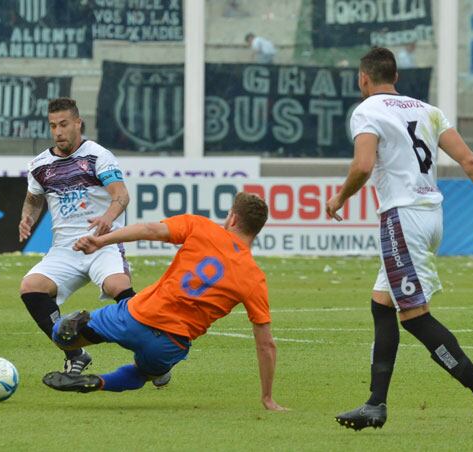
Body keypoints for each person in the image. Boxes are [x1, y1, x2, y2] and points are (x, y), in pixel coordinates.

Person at [326, 48, 473, 436]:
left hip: (402, 217)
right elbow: (471, 162)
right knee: (382, 303)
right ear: (396, 76)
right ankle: (375, 403)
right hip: (430, 216)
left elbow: (362, 165)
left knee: (414, 317)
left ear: (364, 78)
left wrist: (340, 197)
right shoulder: (428, 110)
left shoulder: (368, 110)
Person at [40, 193, 287, 411]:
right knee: (142, 374)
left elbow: (150, 230)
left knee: (62, 332)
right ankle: (101, 382)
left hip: (135, 317)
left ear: (232, 218)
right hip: (170, 343)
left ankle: (76, 343)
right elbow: (266, 345)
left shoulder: (201, 227)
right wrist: (267, 397)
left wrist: (101, 241)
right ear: (257, 229)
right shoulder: (254, 278)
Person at [18, 97, 138, 377]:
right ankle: (75, 354)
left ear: (77, 123)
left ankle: (153, 356)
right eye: (52, 126)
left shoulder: (97, 156)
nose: (58, 132)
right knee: (31, 287)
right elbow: (33, 200)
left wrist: (106, 221)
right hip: (64, 250)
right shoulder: (39, 165)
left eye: (63, 124)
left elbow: (121, 196)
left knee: (120, 289)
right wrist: (27, 217)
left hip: (101, 244)